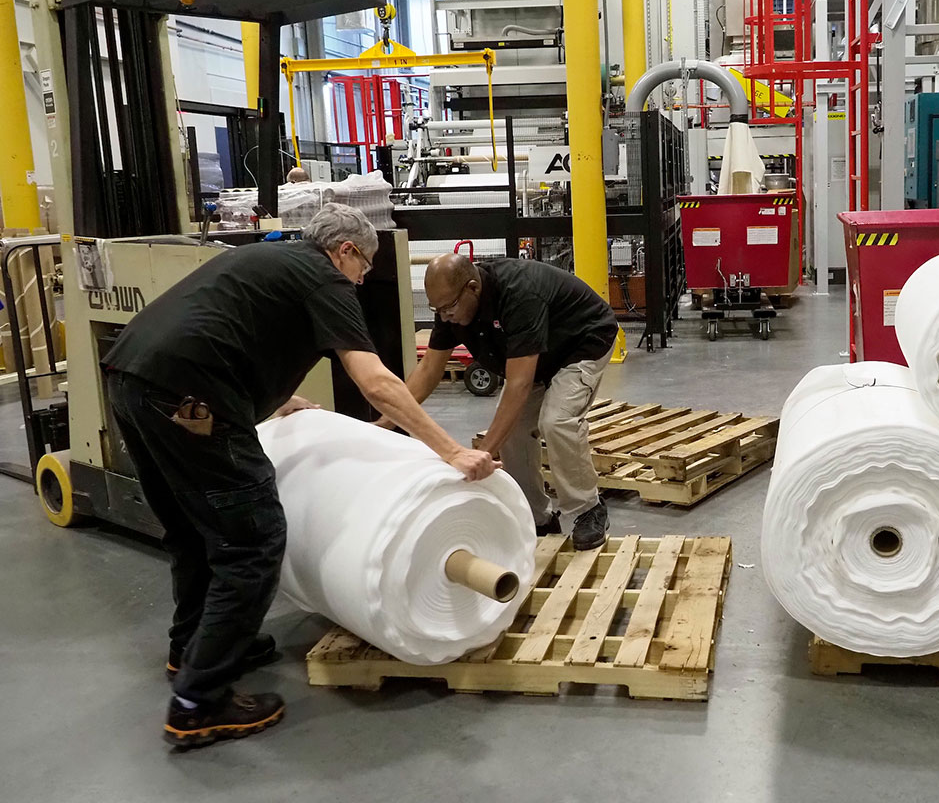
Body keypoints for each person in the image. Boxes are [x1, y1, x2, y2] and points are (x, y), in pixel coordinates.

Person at [103, 205, 497, 749]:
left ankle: (192, 649)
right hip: (189, 396)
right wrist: (452, 451)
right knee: (254, 540)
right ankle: (200, 702)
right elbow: (374, 381)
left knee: (192, 529)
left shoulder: (269, 258)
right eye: (366, 267)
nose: (361, 281)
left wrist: (276, 398)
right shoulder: (325, 279)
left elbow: (226, 329)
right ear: (345, 251)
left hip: (131, 380)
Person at [381, 254, 618, 552]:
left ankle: (588, 508)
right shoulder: (450, 305)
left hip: (581, 341)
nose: (443, 317)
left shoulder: (520, 293)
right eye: (436, 309)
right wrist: (386, 422)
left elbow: (518, 385)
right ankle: (538, 518)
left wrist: (480, 455)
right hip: (536, 353)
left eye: (448, 308)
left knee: (557, 421)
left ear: (472, 288)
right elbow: (429, 369)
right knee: (515, 430)